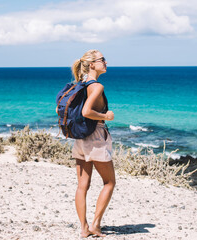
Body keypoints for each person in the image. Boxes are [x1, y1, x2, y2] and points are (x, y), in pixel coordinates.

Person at [71, 49, 115, 238]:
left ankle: (84, 228)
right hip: (95, 136)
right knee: (109, 182)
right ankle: (96, 225)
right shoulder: (96, 86)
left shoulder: (79, 84)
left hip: (80, 137)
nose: (106, 62)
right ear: (92, 65)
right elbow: (86, 111)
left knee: (82, 185)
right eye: (102, 60)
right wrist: (106, 116)